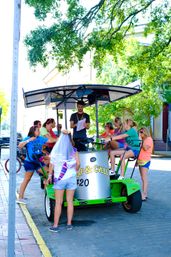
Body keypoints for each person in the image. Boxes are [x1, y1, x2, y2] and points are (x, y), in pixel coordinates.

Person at [47, 131, 80, 232]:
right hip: (72, 178)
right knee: (70, 201)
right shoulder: (74, 150)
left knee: (58, 203)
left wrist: (49, 176)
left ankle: (56, 225)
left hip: (60, 179)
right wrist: (74, 171)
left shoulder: (56, 150)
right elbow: (78, 164)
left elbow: (51, 164)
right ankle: (69, 224)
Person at [16, 125, 57, 204]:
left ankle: (49, 195)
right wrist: (29, 140)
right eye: (38, 130)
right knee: (27, 179)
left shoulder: (40, 138)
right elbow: (19, 146)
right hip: (30, 162)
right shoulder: (28, 138)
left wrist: (60, 138)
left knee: (49, 173)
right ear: (33, 131)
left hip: (38, 162)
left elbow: (51, 140)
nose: (39, 131)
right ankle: (20, 198)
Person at [138, 127, 153, 201]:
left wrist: (141, 140)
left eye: (141, 132)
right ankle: (145, 194)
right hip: (140, 160)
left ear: (145, 132)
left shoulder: (149, 139)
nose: (140, 133)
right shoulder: (143, 139)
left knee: (144, 178)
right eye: (139, 132)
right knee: (142, 178)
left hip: (145, 160)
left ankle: (143, 195)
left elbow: (145, 148)